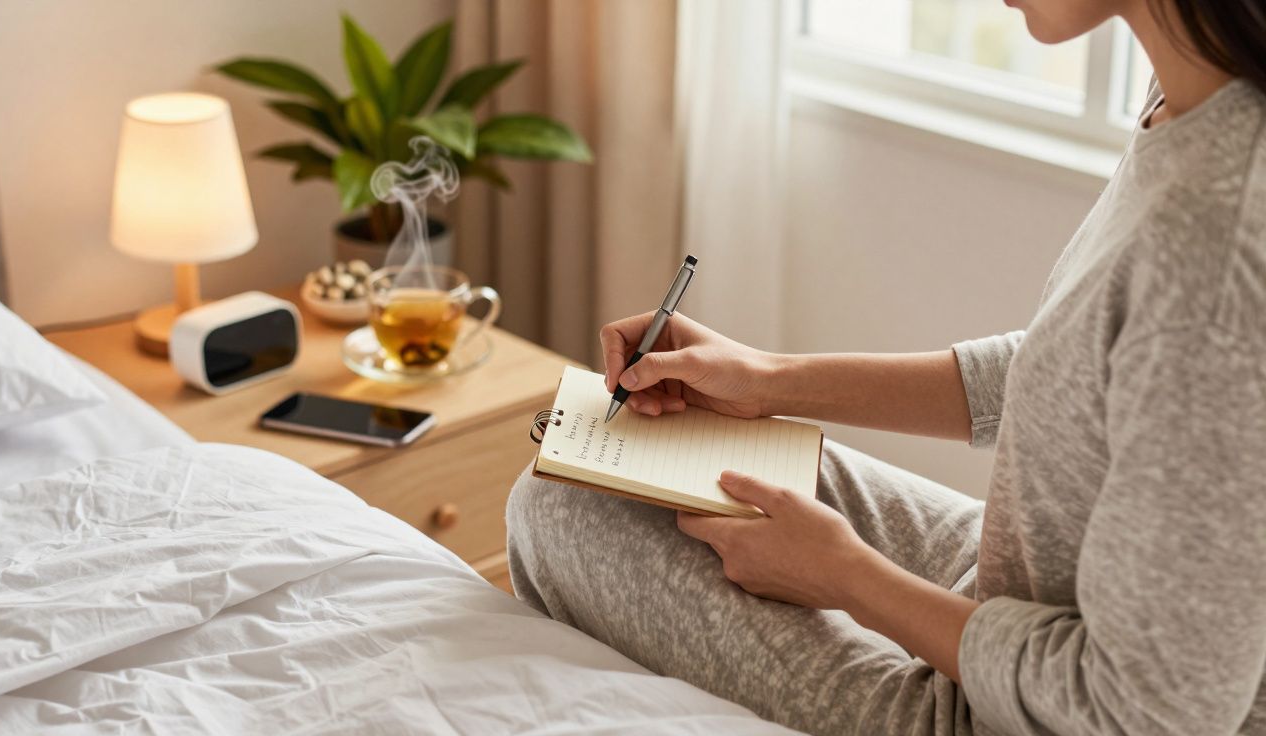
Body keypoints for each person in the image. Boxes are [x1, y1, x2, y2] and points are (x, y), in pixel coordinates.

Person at [506, 0, 1266, 733]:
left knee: (568, 515)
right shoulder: (1197, 97)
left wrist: (848, 578)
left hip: (1032, 708)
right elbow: (1069, 370)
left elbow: (1148, 717)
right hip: (1032, 590)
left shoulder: (1217, 244)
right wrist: (767, 379)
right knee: (593, 489)